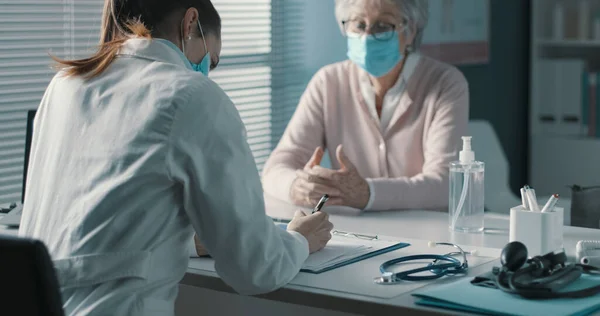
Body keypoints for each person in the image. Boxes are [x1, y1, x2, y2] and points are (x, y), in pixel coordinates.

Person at [18, 0, 333, 315]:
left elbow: (102, 223)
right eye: (212, 59)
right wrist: (299, 239)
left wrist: (192, 242)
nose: (207, 69)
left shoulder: (65, 85)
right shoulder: (191, 95)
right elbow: (257, 268)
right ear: (190, 23)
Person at [262, 0, 469, 212]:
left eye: (382, 26)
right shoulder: (328, 82)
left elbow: (444, 184)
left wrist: (368, 193)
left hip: (429, 231)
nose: (368, 36)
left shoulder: (445, 83)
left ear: (410, 30)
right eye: (359, 25)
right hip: (360, 233)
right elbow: (275, 169)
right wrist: (297, 186)